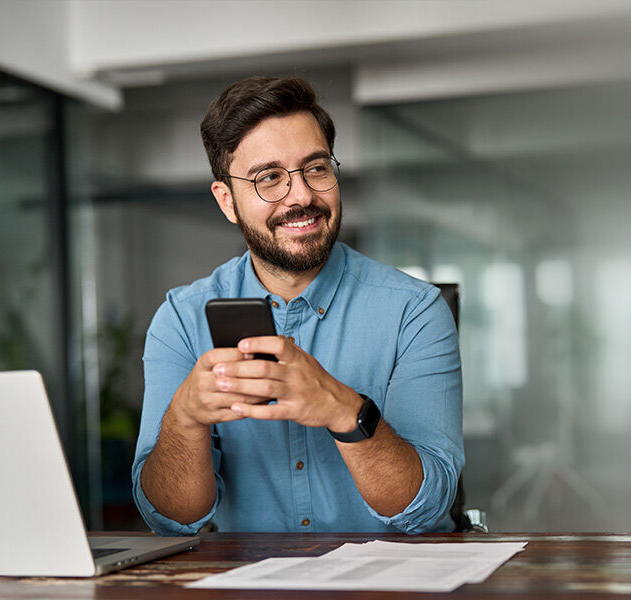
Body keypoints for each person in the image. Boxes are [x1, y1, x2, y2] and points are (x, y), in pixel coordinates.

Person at [132, 76, 461, 535]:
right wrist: (185, 417)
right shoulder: (182, 321)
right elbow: (170, 518)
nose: (302, 196)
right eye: (270, 178)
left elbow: (427, 507)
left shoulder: (416, 311)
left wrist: (342, 409)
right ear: (227, 201)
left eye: (317, 168)